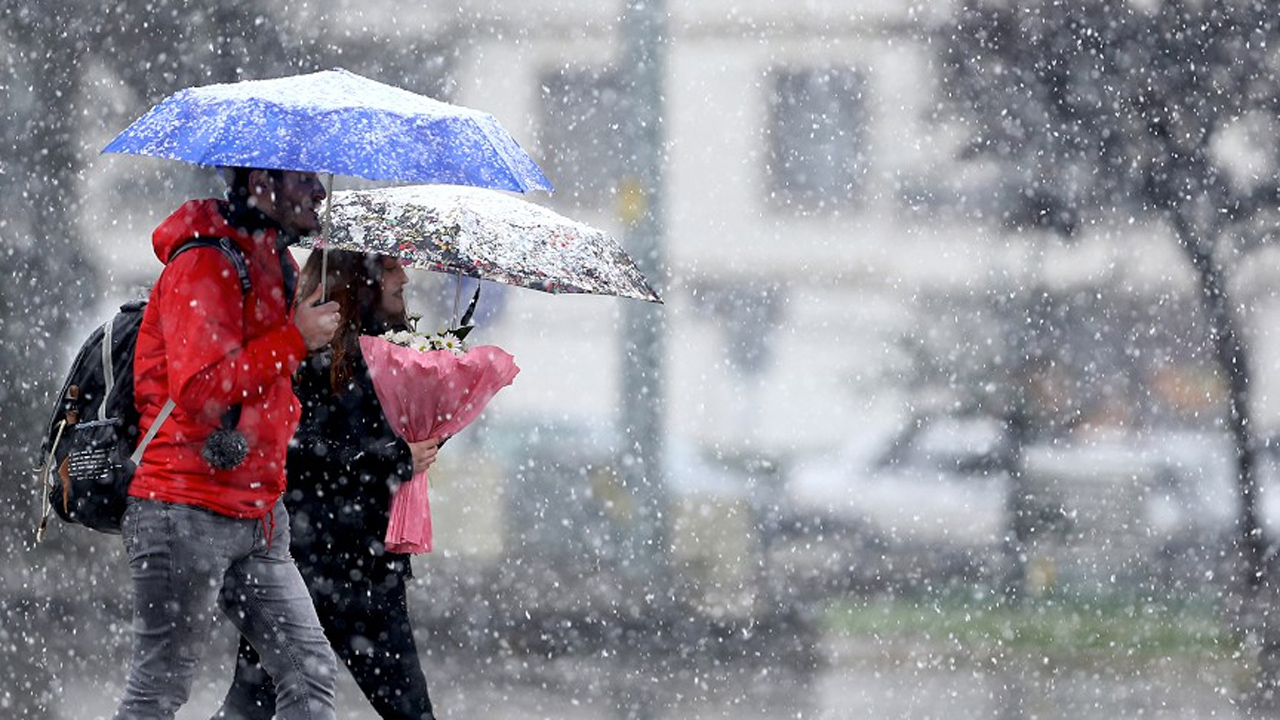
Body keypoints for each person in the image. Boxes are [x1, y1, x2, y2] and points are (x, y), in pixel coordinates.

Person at [116, 167, 342, 720]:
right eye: (302, 179)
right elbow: (199, 388)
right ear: (261, 182)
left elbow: (270, 379)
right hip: (184, 506)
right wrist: (295, 339)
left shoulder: (276, 262)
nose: (319, 191)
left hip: (260, 511)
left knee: (309, 675)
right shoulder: (206, 262)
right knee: (158, 692)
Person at [214, 249, 443, 720]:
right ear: (362, 279)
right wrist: (395, 459)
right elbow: (301, 452)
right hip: (310, 564)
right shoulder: (311, 355)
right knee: (252, 705)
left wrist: (430, 430)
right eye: (392, 267)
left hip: (363, 565)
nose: (404, 277)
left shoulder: (396, 353)